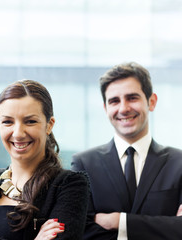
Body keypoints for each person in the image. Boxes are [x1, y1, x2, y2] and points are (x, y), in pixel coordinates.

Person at [0, 80, 89, 240]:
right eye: (7, 122)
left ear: (49, 125)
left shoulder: (70, 185)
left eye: (30, 121)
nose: (18, 133)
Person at [71, 62, 182, 240]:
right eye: (114, 101)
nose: (123, 109)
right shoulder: (84, 164)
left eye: (132, 98)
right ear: (106, 108)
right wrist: (165, 227)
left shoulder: (179, 163)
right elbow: (82, 232)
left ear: (151, 102)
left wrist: (119, 221)